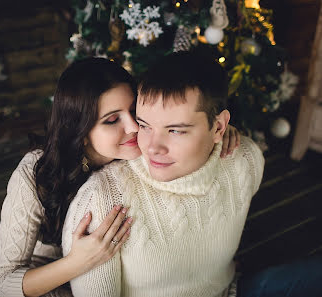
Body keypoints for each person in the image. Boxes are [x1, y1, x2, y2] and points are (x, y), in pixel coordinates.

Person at [0, 57, 240, 297]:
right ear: (81, 130)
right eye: (112, 120)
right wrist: (76, 263)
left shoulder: (143, 147)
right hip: (46, 285)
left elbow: (182, 120)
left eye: (134, 111)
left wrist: (215, 132)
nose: (133, 127)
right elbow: (0, 285)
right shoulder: (36, 172)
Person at [61, 51, 265, 297]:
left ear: (219, 127)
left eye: (176, 131)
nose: (152, 147)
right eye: (145, 126)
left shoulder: (246, 160)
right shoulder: (101, 202)